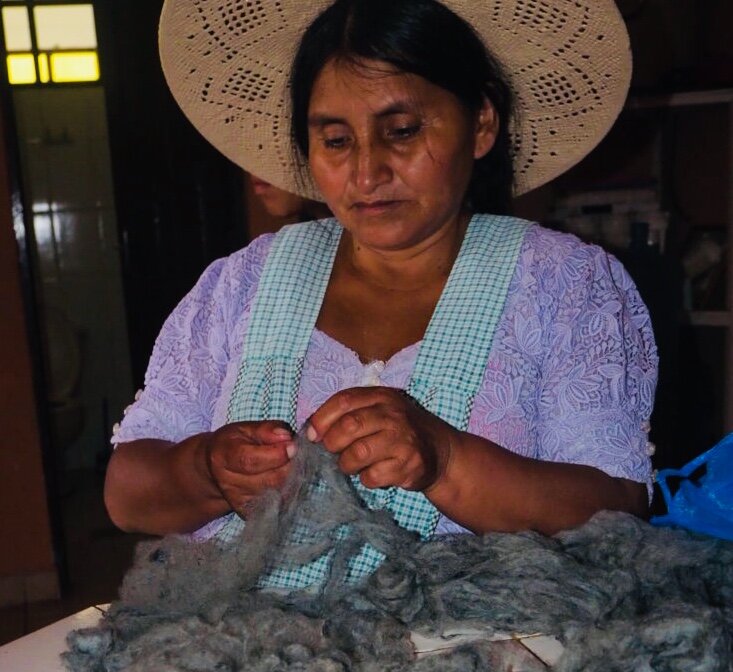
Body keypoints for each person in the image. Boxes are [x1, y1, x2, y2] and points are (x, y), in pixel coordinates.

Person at [106, 0, 658, 588]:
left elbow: (617, 511)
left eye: (402, 131)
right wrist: (208, 472)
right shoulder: (241, 284)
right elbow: (126, 494)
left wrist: (445, 460)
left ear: (481, 123)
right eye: (336, 140)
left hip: (486, 637)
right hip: (248, 637)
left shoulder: (567, 284)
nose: (367, 174)